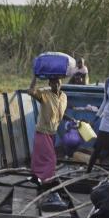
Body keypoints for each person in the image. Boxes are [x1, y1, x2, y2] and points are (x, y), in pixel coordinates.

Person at [27, 73, 68, 206]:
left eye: (58, 82)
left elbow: (60, 112)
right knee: (51, 160)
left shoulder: (63, 96)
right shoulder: (44, 95)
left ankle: (36, 178)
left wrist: (73, 120)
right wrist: (35, 76)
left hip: (53, 133)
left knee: (40, 158)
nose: (56, 84)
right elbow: (31, 91)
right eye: (53, 82)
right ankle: (48, 188)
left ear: (61, 82)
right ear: (49, 84)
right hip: (43, 132)